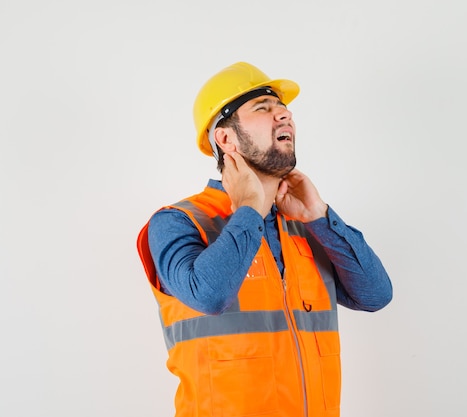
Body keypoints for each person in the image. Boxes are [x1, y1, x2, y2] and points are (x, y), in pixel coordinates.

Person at [136, 61, 393, 417]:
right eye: (264, 108)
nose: (284, 115)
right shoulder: (178, 222)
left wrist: (319, 215)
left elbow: (375, 295)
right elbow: (210, 295)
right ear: (225, 139)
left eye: (284, 109)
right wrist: (250, 209)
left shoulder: (304, 223)